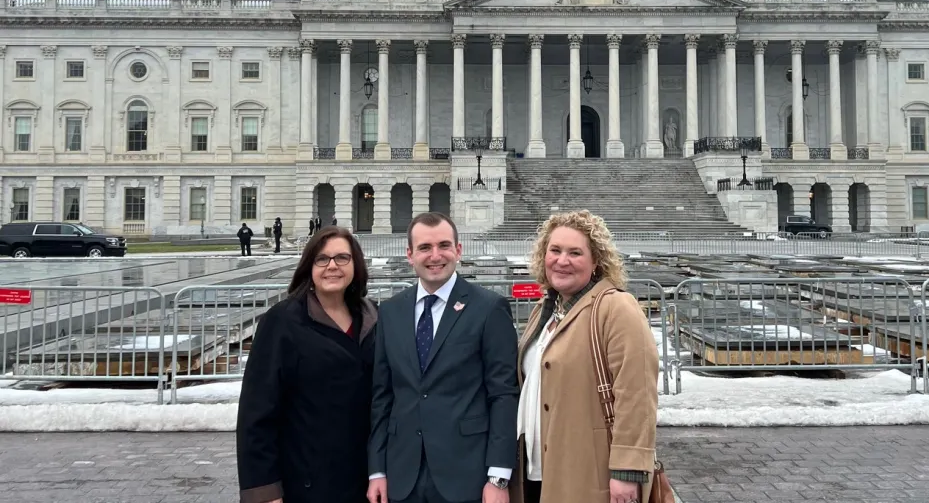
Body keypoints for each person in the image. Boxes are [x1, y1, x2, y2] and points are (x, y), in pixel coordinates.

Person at [368, 212, 519, 503]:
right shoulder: (390, 312)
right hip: (403, 477)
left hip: (467, 475)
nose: (435, 256)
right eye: (425, 248)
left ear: (458, 251)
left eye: (444, 246)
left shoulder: (488, 308)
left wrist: (498, 477)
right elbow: (382, 396)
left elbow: (503, 394)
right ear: (410, 255)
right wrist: (377, 470)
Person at [509, 210, 659, 503]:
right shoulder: (546, 309)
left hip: (590, 471)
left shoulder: (616, 308)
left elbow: (636, 394)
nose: (562, 261)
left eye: (575, 252)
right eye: (555, 250)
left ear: (596, 262)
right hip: (538, 468)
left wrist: (627, 471)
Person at [237, 227, 378, 503]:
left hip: (366, 477)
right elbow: (257, 413)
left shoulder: (373, 316)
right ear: (309, 267)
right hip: (307, 479)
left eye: (342, 258)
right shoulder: (282, 322)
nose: (332, 266)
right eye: (322, 259)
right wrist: (264, 491)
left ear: (356, 265)